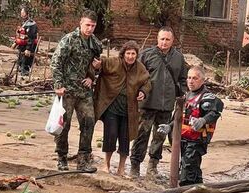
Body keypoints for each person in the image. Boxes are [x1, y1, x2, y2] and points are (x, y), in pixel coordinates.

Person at [157, 66, 223, 193]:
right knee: (194, 170)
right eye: (189, 77)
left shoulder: (207, 97)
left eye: (195, 78)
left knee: (187, 169)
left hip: (197, 140)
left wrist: (203, 120)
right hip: (184, 138)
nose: (191, 81)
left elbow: (214, 112)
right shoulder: (186, 96)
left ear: (202, 80)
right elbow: (178, 117)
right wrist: (169, 126)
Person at [129, 26, 187, 179]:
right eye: (162, 39)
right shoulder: (147, 55)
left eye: (167, 39)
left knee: (160, 136)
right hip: (147, 103)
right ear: (157, 39)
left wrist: (182, 95)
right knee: (142, 134)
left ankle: (152, 166)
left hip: (167, 105)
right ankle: (135, 165)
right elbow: (136, 77)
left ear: (172, 40)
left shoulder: (178, 58)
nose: (164, 42)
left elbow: (182, 79)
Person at [50, 9, 102, 171]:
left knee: (88, 122)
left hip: (84, 90)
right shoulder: (69, 40)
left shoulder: (95, 43)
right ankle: (62, 157)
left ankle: (83, 159)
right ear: (80, 23)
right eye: (87, 25)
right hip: (67, 90)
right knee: (63, 125)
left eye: (93, 26)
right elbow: (56, 61)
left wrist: (92, 76)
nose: (90, 28)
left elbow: (95, 65)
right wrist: (58, 84)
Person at [93, 41, 151, 175]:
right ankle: (106, 164)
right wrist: (98, 65)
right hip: (112, 106)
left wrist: (143, 91)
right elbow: (102, 63)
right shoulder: (115, 62)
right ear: (123, 54)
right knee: (110, 135)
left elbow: (147, 82)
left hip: (129, 110)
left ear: (136, 55)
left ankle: (121, 168)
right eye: (128, 53)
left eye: (133, 54)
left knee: (125, 138)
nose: (130, 56)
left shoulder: (139, 68)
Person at [12, 6, 38, 76]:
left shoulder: (32, 24)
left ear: (27, 14)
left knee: (26, 59)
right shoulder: (23, 23)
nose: (21, 14)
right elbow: (20, 33)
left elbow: (31, 37)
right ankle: (21, 68)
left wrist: (28, 49)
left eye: (23, 12)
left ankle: (25, 71)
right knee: (20, 58)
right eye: (21, 12)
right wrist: (15, 42)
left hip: (29, 45)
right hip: (22, 44)